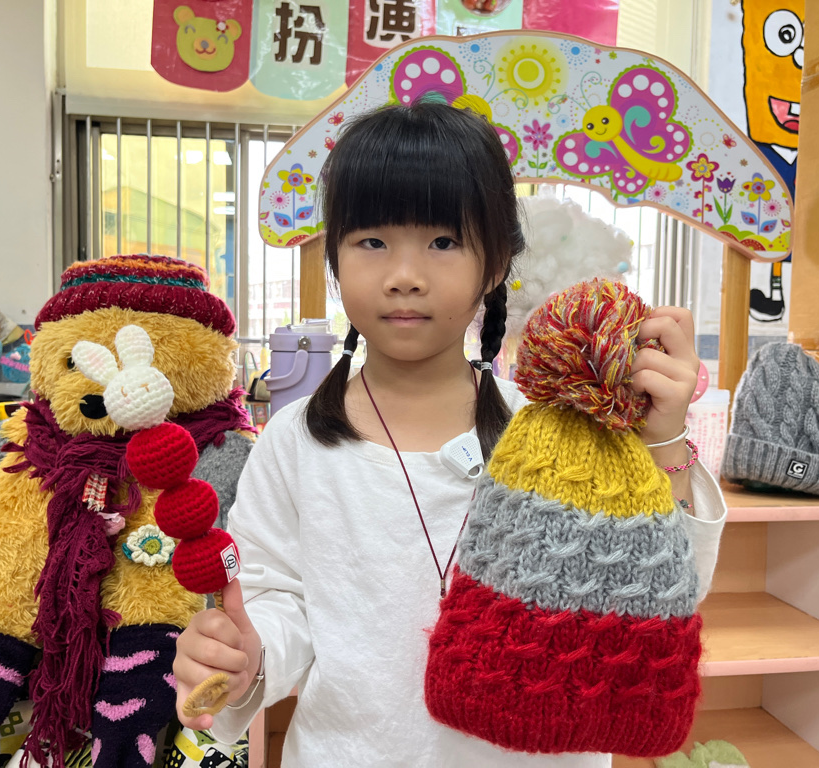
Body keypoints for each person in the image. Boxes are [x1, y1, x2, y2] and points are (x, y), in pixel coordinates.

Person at [173, 101, 727, 766]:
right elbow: (277, 602)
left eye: (443, 242)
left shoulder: (561, 432)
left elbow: (666, 591)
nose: (404, 276)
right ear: (336, 259)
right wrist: (246, 653)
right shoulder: (296, 441)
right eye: (371, 241)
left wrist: (663, 442)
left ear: (495, 264)